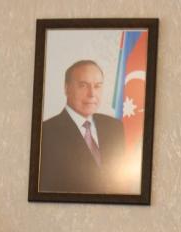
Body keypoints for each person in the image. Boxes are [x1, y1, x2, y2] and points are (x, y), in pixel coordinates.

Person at [38, 60, 129, 195]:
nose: (92, 94)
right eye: (83, 85)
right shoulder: (45, 132)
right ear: (66, 88)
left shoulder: (114, 127)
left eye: (97, 86)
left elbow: (123, 182)